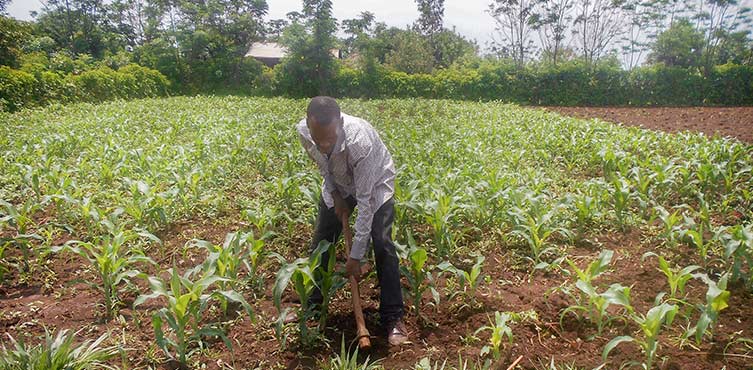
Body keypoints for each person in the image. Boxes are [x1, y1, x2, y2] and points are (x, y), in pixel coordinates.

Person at [294, 96, 408, 346]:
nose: (323, 144)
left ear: (340, 124)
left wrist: (356, 256)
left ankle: (392, 317)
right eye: (318, 138)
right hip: (339, 184)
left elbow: (366, 202)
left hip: (375, 184)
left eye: (330, 139)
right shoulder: (304, 131)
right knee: (321, 242)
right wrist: (335, 194)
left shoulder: (359, 142)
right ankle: (313, 307)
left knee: (382, 243)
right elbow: (323, 165)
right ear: (308, 125)